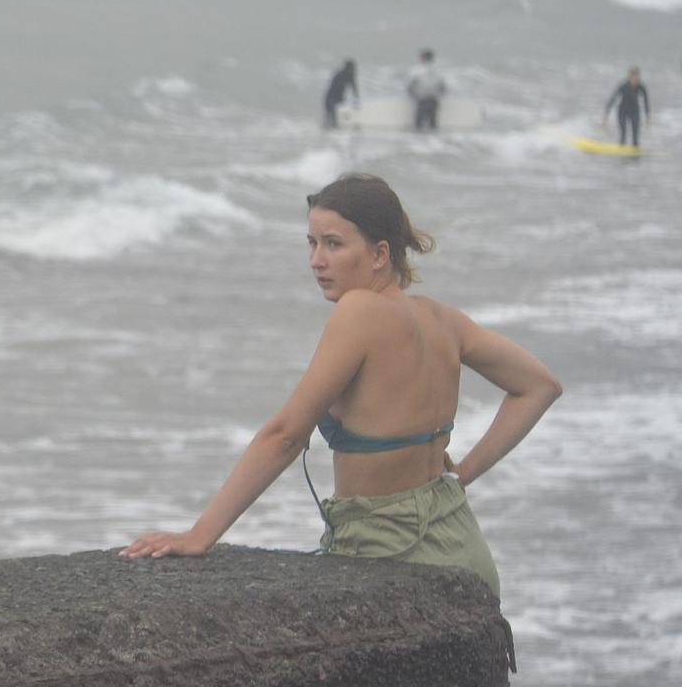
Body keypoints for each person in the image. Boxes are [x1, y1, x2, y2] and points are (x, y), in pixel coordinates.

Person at [123, 175, 561, 601]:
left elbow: (285, 435)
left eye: (333, 244)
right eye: (311, 243)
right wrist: (462, 475)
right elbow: (539, 386)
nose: (316, 259)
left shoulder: (359, 311)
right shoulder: (442, 319)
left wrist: (201, 535)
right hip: (462, 545)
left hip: (390, 553)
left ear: (379, 254)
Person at [602, 68, 651, 148]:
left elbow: (646, 101)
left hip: (635, 112)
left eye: (637, 77)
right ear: (629, 77)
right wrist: (606, 115)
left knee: (635, 137)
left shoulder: (641, 87)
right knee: (623, 134)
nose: (635, 80)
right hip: (622, 112)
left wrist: (647, 116)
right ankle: (622, 156)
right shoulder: (623, 86)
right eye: (633, 77)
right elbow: (613, 98)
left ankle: (635, 157)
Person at [406, 48, 446, 131]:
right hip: (433, 97)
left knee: (419, 121)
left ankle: (419, 140)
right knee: (432, 120)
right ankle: (434, 140)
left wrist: (411, 94)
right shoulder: (438, 69)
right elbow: (442, 85)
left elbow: (411, 83)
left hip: (422, 98)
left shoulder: (417, 69)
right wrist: (440, 94)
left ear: (423, 58)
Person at [323, 59, 359, 129]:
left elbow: (354, 88)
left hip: (336, 97)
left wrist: (356, 99)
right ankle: (329, 134)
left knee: (334, 118)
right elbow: (334, 88)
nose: (353, 69)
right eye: (352, 67)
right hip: (331, 97)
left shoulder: (350, 75)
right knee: (331, 118)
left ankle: (332, 133)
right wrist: (355, 99)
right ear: (348, 67)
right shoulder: (340, 74)